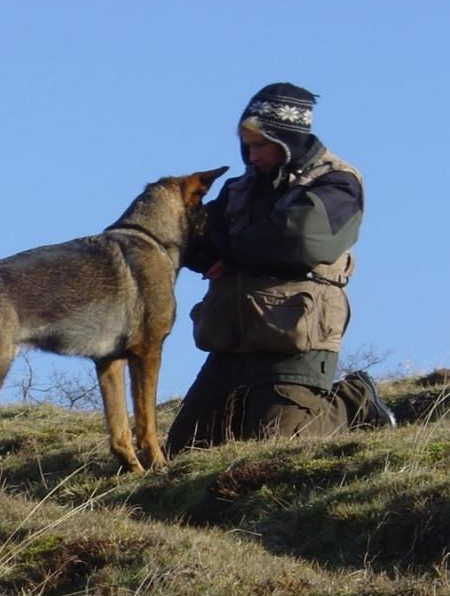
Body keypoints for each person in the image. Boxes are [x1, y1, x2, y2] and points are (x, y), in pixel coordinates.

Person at [165, 82, 396, 455]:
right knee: (183, 450)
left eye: (261, 145)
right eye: (247, 145)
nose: (251, 155)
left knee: (274, 446)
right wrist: (208, 256)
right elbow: (190, 235)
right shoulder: (238, 189)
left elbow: (299, 239)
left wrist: (229, 250)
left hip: (296, 343)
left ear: (287, 139)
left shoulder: (337, 182)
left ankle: (354, 402)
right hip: (230, 342)